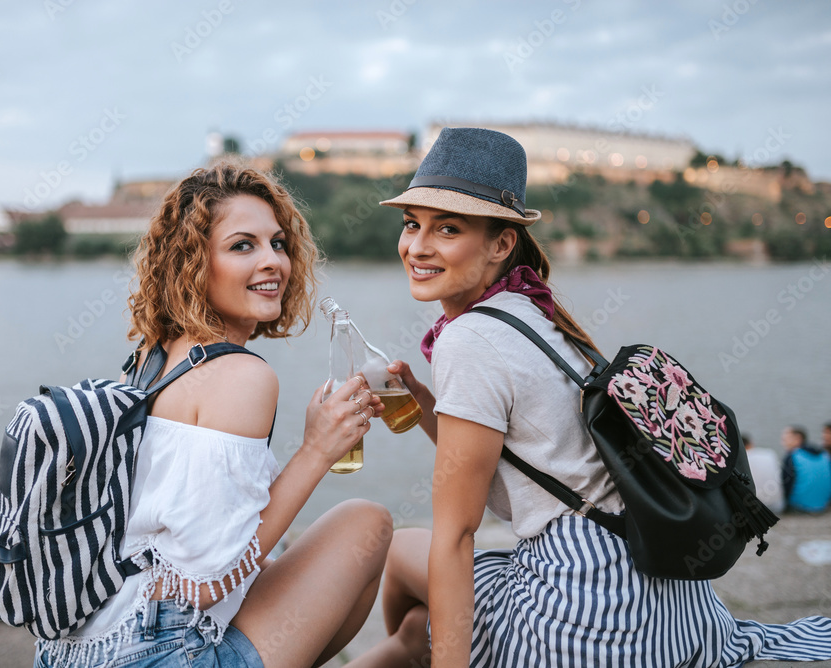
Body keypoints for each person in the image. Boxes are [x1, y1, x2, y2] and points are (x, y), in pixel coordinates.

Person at [348, 127, 831, 667]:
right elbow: (515, 454)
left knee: (404, 559)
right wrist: (421, 402)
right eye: (412, 224)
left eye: (448, 228)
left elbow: (457, 536)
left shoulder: (467, 337)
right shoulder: (537, 313)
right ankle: (422, 644)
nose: (417, 246)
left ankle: (425, 652)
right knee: (422, 623)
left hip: (587, 615)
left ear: (502, 243)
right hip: (671, 601)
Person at [34, 162, 393, 668]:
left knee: (285, 559)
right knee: (366, 523)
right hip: (161, 653)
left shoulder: (153, 354)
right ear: (194, 265)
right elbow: (205, 586)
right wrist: (317, 450)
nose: (273, 261)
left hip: (78, 647)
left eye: (278, 243)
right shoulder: (242, 376)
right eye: (243, 245)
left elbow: (186, 525)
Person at [781, 425, 831, 513]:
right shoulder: (824, 455)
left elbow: (786, 484)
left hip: (801, 506)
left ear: (798, 438)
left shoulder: (793, 456)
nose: (782, 443)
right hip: (823, 505)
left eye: (785, 439)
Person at [743, 434, 785, 514]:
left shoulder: (742, 458)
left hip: (753, 508)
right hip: (777, 506)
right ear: (751, 443)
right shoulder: (770, 453)